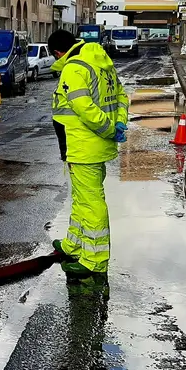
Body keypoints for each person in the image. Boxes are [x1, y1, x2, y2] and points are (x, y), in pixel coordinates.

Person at [47, 29, 129, 280]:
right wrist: (118, 125)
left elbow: (84, 107)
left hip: (84, 147)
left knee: (91, 203)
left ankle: (94, 261)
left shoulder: (74, 67)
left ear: (58, 52)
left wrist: (106, 129)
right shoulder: (101, 63)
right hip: (91, 147)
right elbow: (121, 97)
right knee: (82, 199)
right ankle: (74, 245)